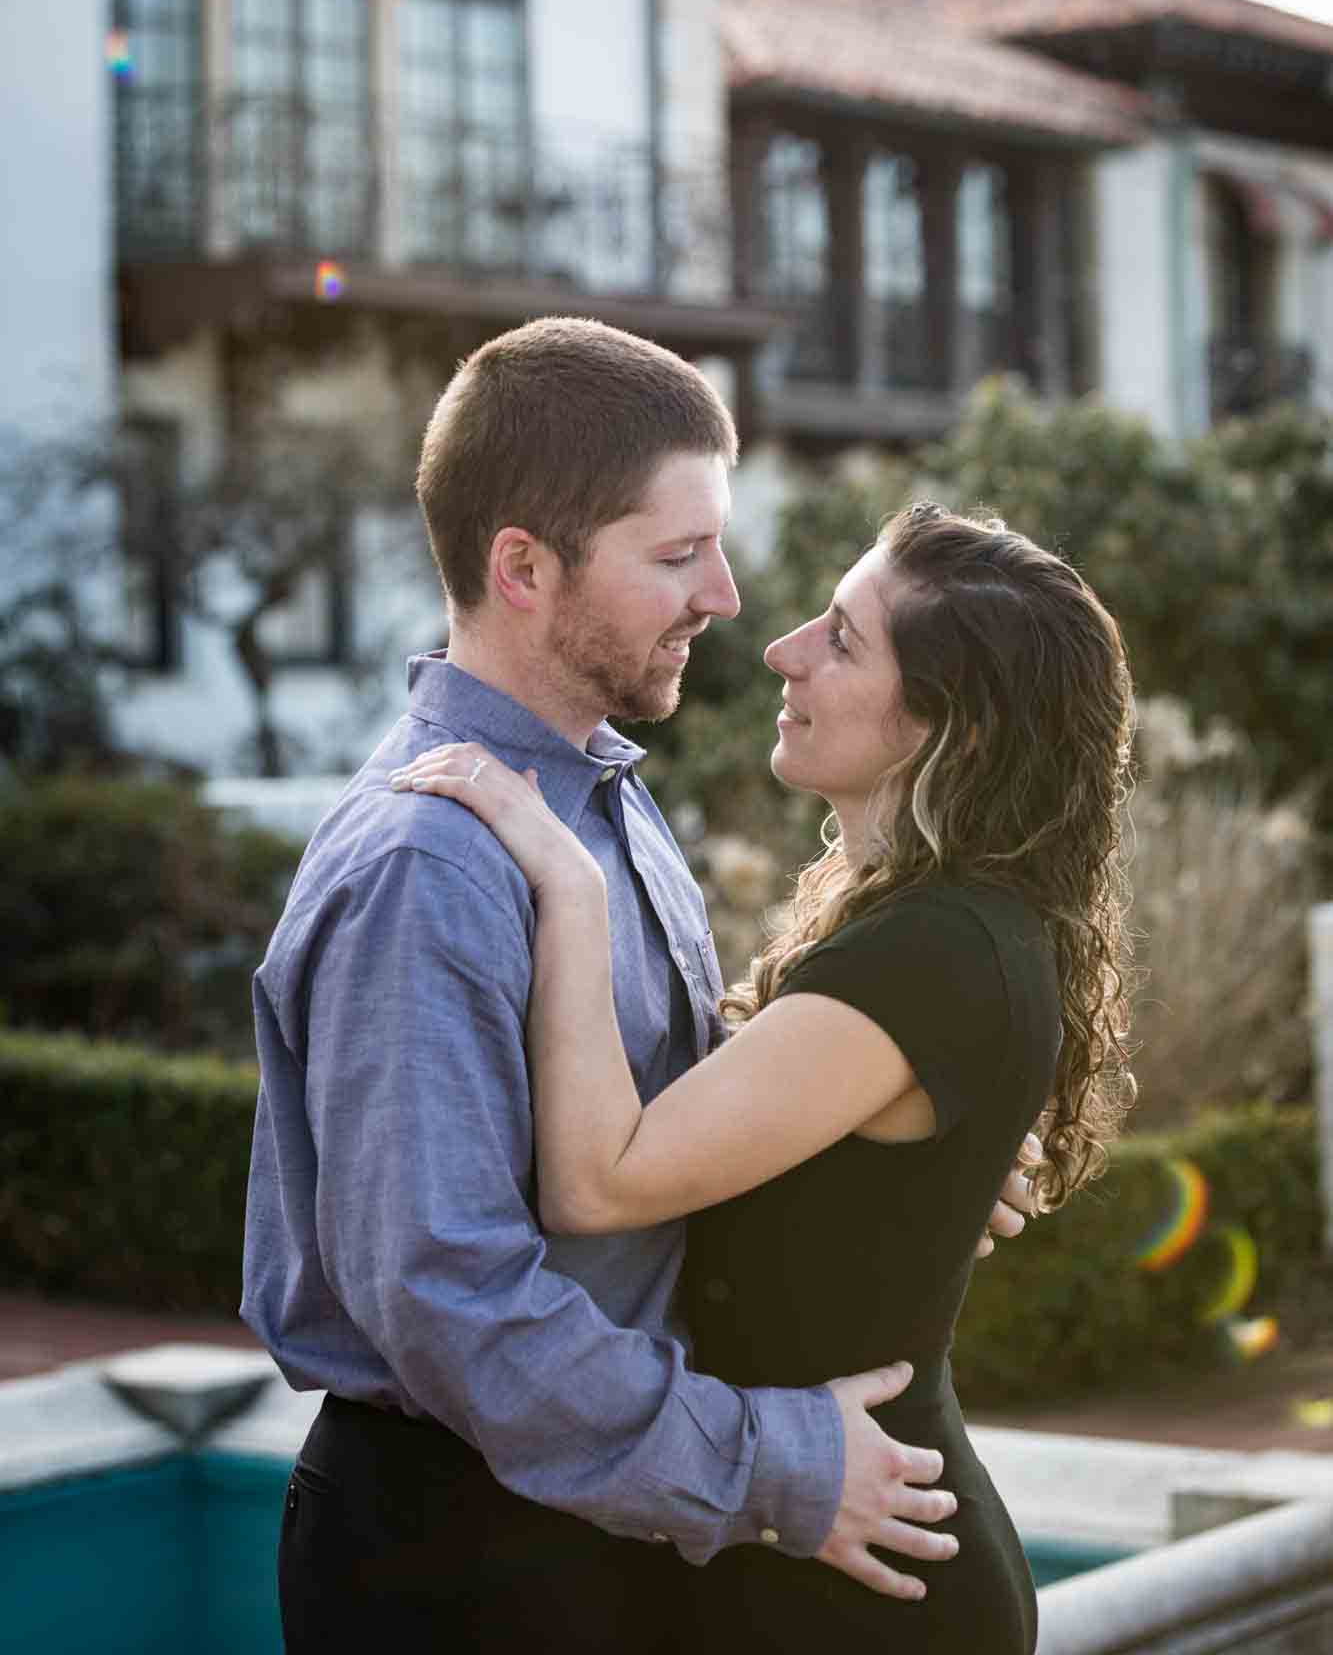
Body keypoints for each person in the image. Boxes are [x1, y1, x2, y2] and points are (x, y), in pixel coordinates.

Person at [242, 318, 1038, 1652]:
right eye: (676, 556)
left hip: (604, 1536)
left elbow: (660, 1117)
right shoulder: (429, 864)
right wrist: (772, 1463)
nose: (725, 597)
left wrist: (872, 1147)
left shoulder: (597, 799)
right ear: (523, 569)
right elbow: (452, 1304)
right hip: (465, 1560)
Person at [393, 497, 1136, 1653]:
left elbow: (600, 1181)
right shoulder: (933, 925)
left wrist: (566, 884)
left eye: (841, 637)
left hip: (857, 1583)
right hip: (811, 1545)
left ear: (959, 729)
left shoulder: (934, 951)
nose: (781, 648)